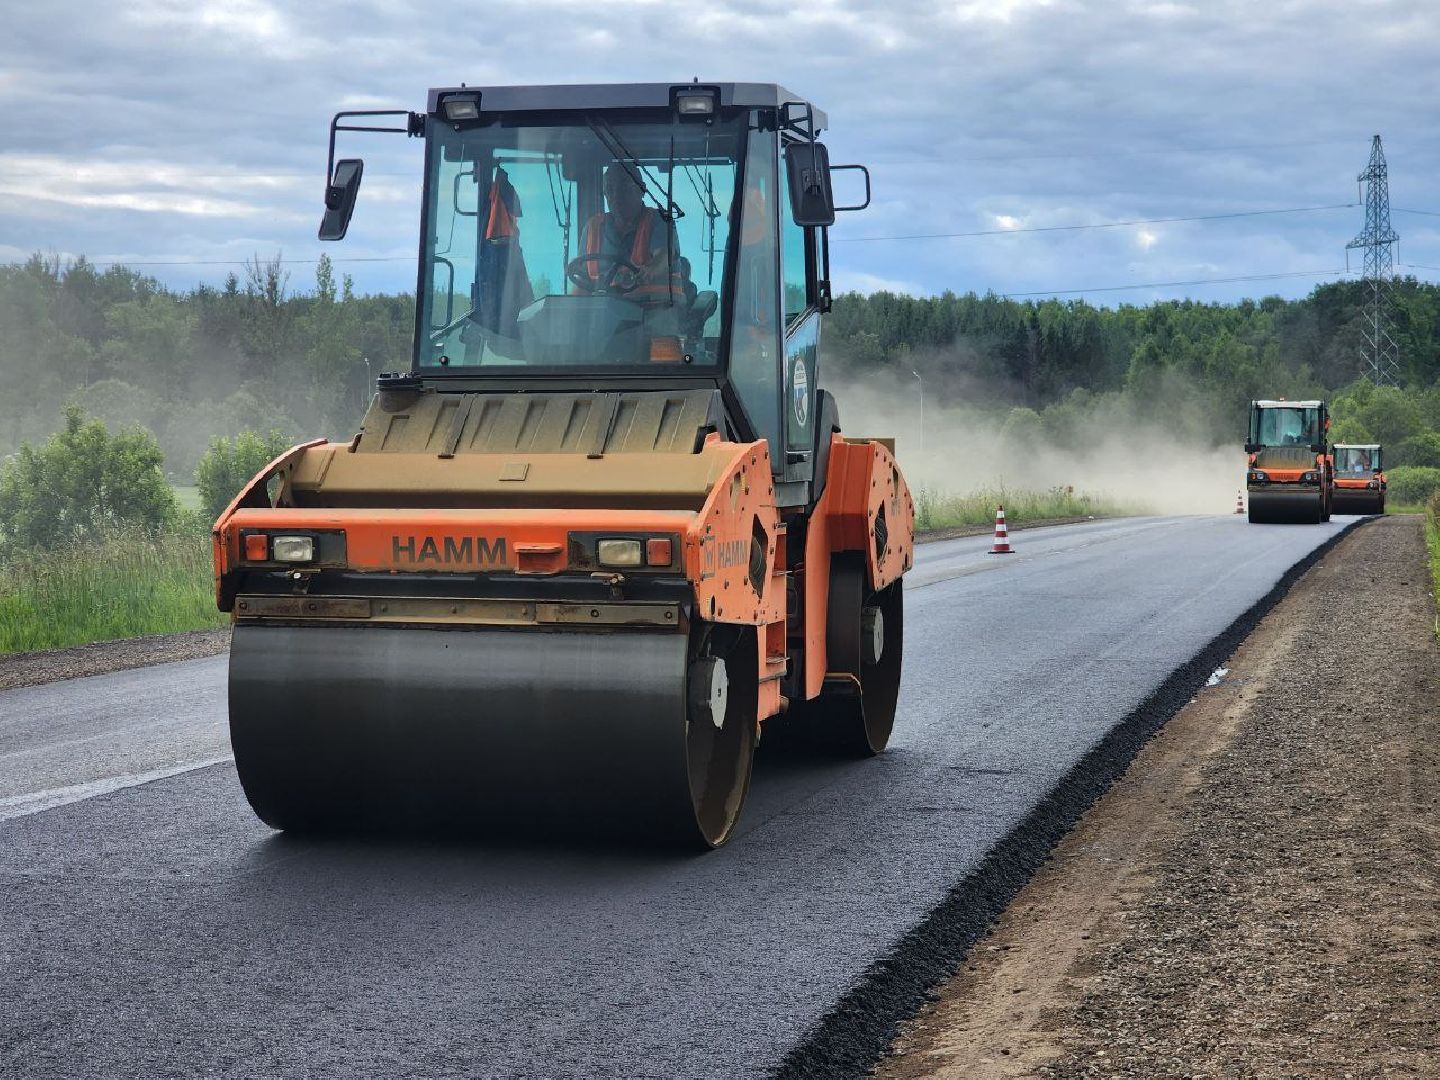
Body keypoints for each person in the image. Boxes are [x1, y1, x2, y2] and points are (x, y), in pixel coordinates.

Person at [578, 164, 686, 306]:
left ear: (642, 189)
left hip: (657, 312)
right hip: (605, 317)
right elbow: (580, 280)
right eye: (610, 189)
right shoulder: (592, 228)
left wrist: (648, 271)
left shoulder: (660, 220)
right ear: (604, 194)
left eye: (624, 188)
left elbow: (664, 257)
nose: (616, 196)